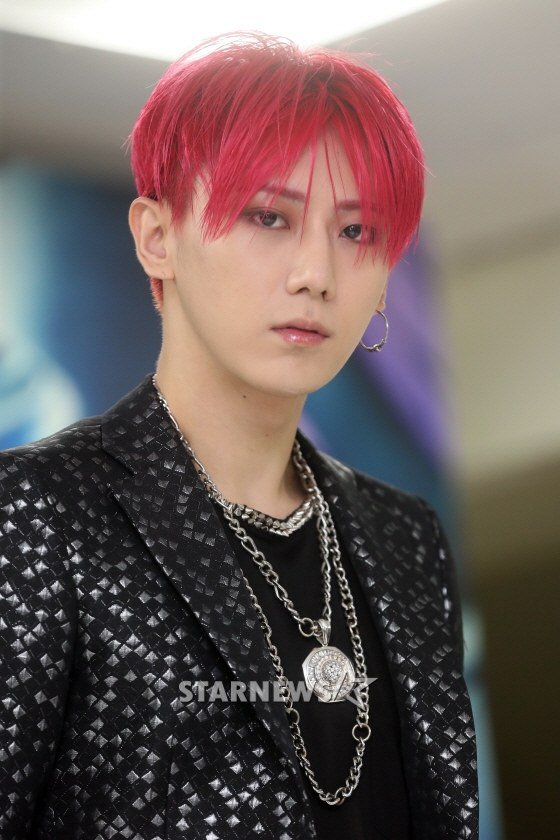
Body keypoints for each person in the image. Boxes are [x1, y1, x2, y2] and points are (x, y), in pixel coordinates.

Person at [0, 32, 478, 840]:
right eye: (269, 217)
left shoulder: (406, 538)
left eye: (356, 232)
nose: (315, 273)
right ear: (157, 237)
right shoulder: (39, 513)